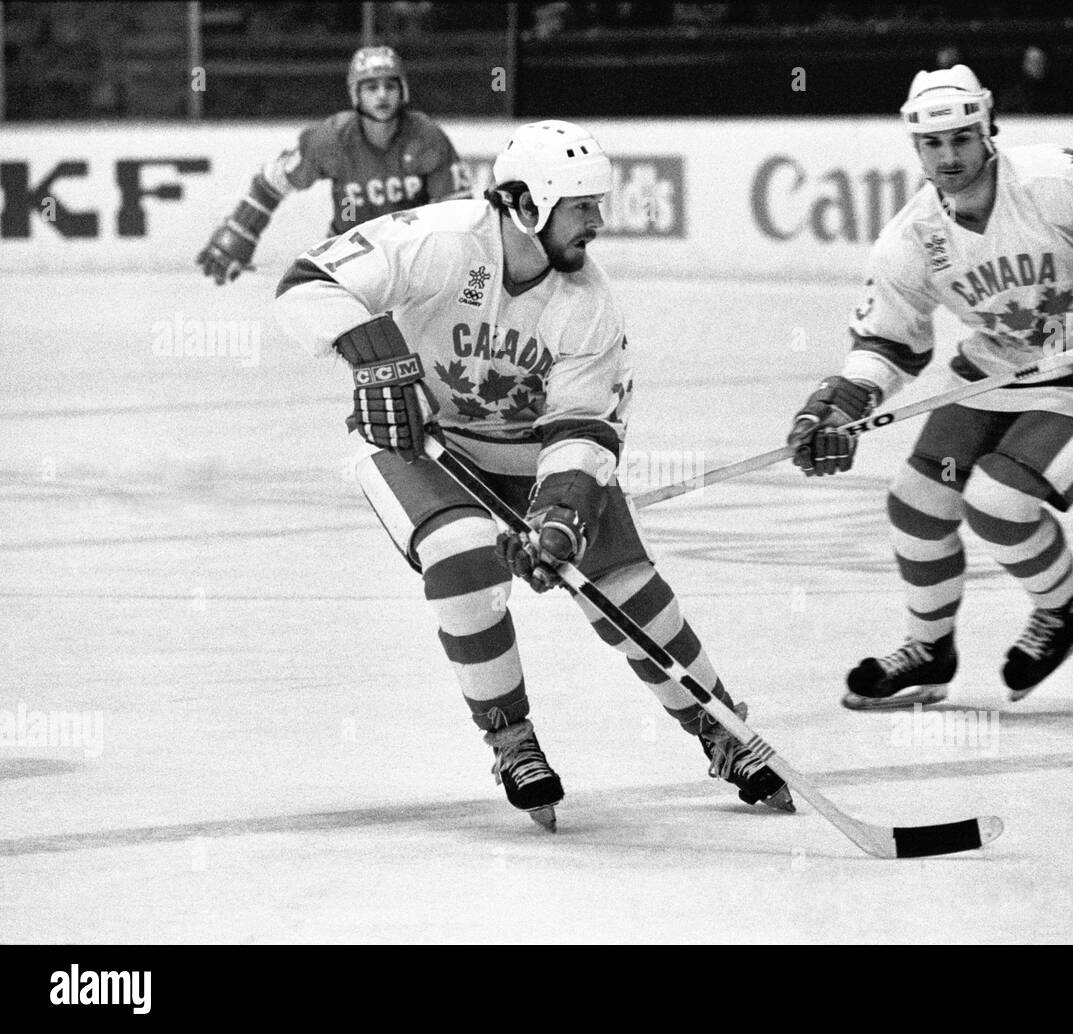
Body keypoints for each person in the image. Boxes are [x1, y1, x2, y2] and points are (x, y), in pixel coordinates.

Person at [273, 120, 793, 829]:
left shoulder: (590, 304)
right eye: (581, 206)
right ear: (527, 205)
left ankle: (720, 728)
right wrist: (379, 358)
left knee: (627, 587)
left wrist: (561, 517)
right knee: (463, 554)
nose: (597, 223)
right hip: (418, 443)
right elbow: (308, 282)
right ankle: (511, 736)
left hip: (531, 457)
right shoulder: (444, 240)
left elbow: (583, 428)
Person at [787, 65, 1073, 709]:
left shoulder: (1053, 180)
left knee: (998, 504)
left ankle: (1064, 608)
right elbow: (889, 344)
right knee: (916, 503)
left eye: (961, 139)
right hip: (997, 370)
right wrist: (840, 405)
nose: (949, 157)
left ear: (988, 129)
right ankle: (929, 650)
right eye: (932, 144)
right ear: (915, 147)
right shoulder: (912, 237)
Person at [198, 45, 471, 286]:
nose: (382, 95)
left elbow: (459, 212)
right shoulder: (331, 138)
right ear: (356, 94)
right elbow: (272, 182)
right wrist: (240, 232)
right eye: (371, 87)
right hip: (346, 257)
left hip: (412, 260)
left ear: (403, 91)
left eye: (390, 86)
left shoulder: (427, 137)